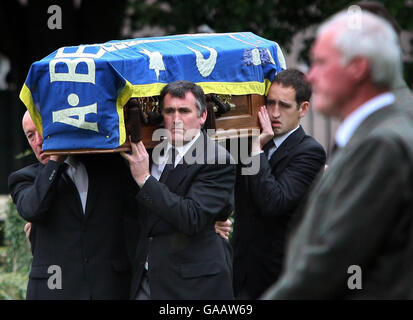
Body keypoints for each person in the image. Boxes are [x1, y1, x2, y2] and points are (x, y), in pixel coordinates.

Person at [262, 10, 413, 299]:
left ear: (357, 67)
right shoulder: (385, 128)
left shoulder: (380, 144)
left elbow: (329, 259)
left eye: (320, 62)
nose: (313, 76)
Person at [121, 80, 236, 300]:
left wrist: (145, 180)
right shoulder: (149, 153)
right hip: (147, 278)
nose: (176, 120)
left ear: (202, 117)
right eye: (169, 111)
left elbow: (192, 217)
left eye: (184, 111)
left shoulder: (217, 159)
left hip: (193, 285)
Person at [8, 111, 138, 299]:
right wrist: (55, 160)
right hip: (54, 291)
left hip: (110, 288)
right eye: (30, 135)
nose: (38, 141)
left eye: (42, 131)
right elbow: (32, 209)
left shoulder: (108, 165)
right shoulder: (23, 178)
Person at [231, 69, 326, 299]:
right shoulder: (251, 142)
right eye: (270, 103)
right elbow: (235, 193)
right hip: (239, 272)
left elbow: (273, 202)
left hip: (278, 276)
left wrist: (255, 152)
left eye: (284, 105)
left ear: (303, 109)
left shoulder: (309, 152)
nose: (274, 113)